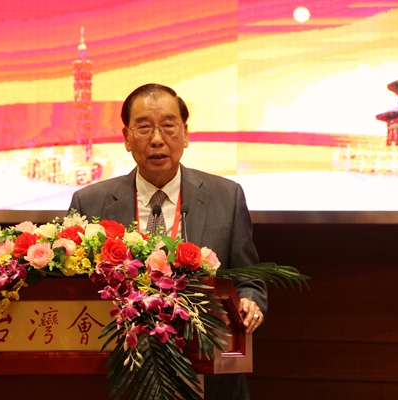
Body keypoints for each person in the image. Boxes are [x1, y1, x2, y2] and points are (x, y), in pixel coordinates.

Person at [69, 83, 267, 400]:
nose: (157, 139)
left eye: (168, 126)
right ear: (126, 137)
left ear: (185, 134)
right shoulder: (91, 203)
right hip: (121, 372)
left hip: (208, 372)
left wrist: (249, 301)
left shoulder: (226, 197)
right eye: (144, 127)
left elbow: (248, 278)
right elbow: (72, 291)